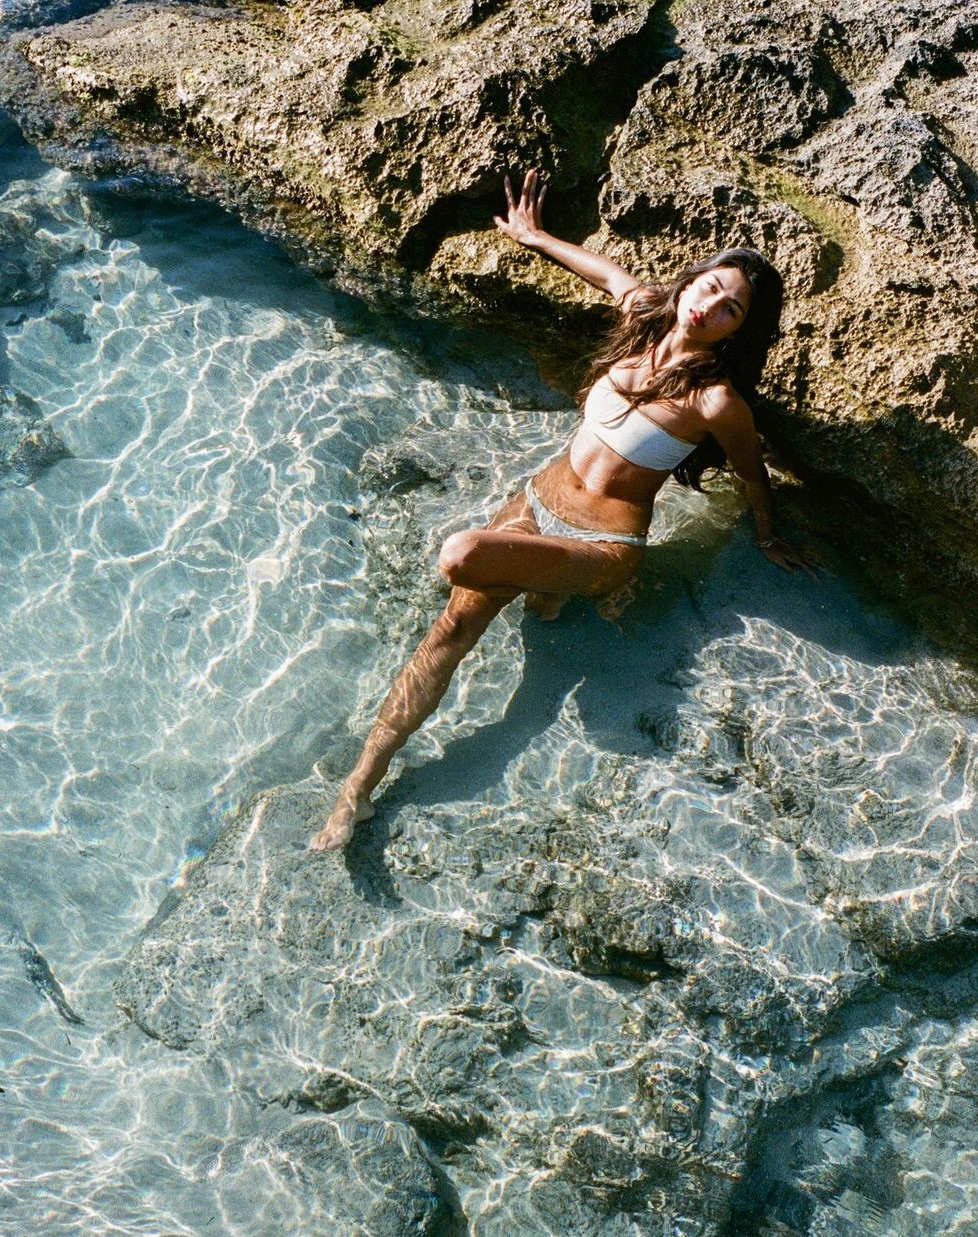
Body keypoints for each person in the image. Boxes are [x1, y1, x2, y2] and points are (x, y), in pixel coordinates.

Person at [310, 169, 817, 851]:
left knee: (462, 555)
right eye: (710, 287)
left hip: (603, 550)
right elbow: (603, 272)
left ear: (737, 332)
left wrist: (767, 535)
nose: (709, 307)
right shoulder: (643, 316)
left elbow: (754, 473)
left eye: (731, 309)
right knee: (448, 634)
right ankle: (358, 790)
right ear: (690, 281)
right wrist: (535, 236)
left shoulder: (717, 401)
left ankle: (561, 593)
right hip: (533, 507)